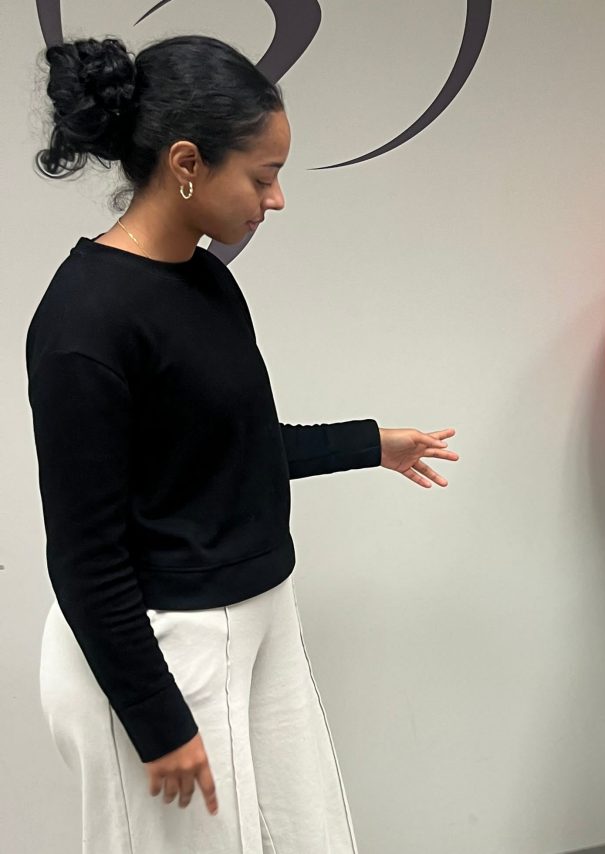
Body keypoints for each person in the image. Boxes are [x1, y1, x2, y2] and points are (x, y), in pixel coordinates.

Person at [28, 34, 457, 853]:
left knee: (310, 837)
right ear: (187, 162)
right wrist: (158, 723)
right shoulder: (84, 322)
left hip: (263, 615)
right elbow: (84, 556)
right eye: (263, 175)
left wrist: (375, 444)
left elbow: (237, 448)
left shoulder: (207, 281)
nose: (278, 198)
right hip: (163, 644)